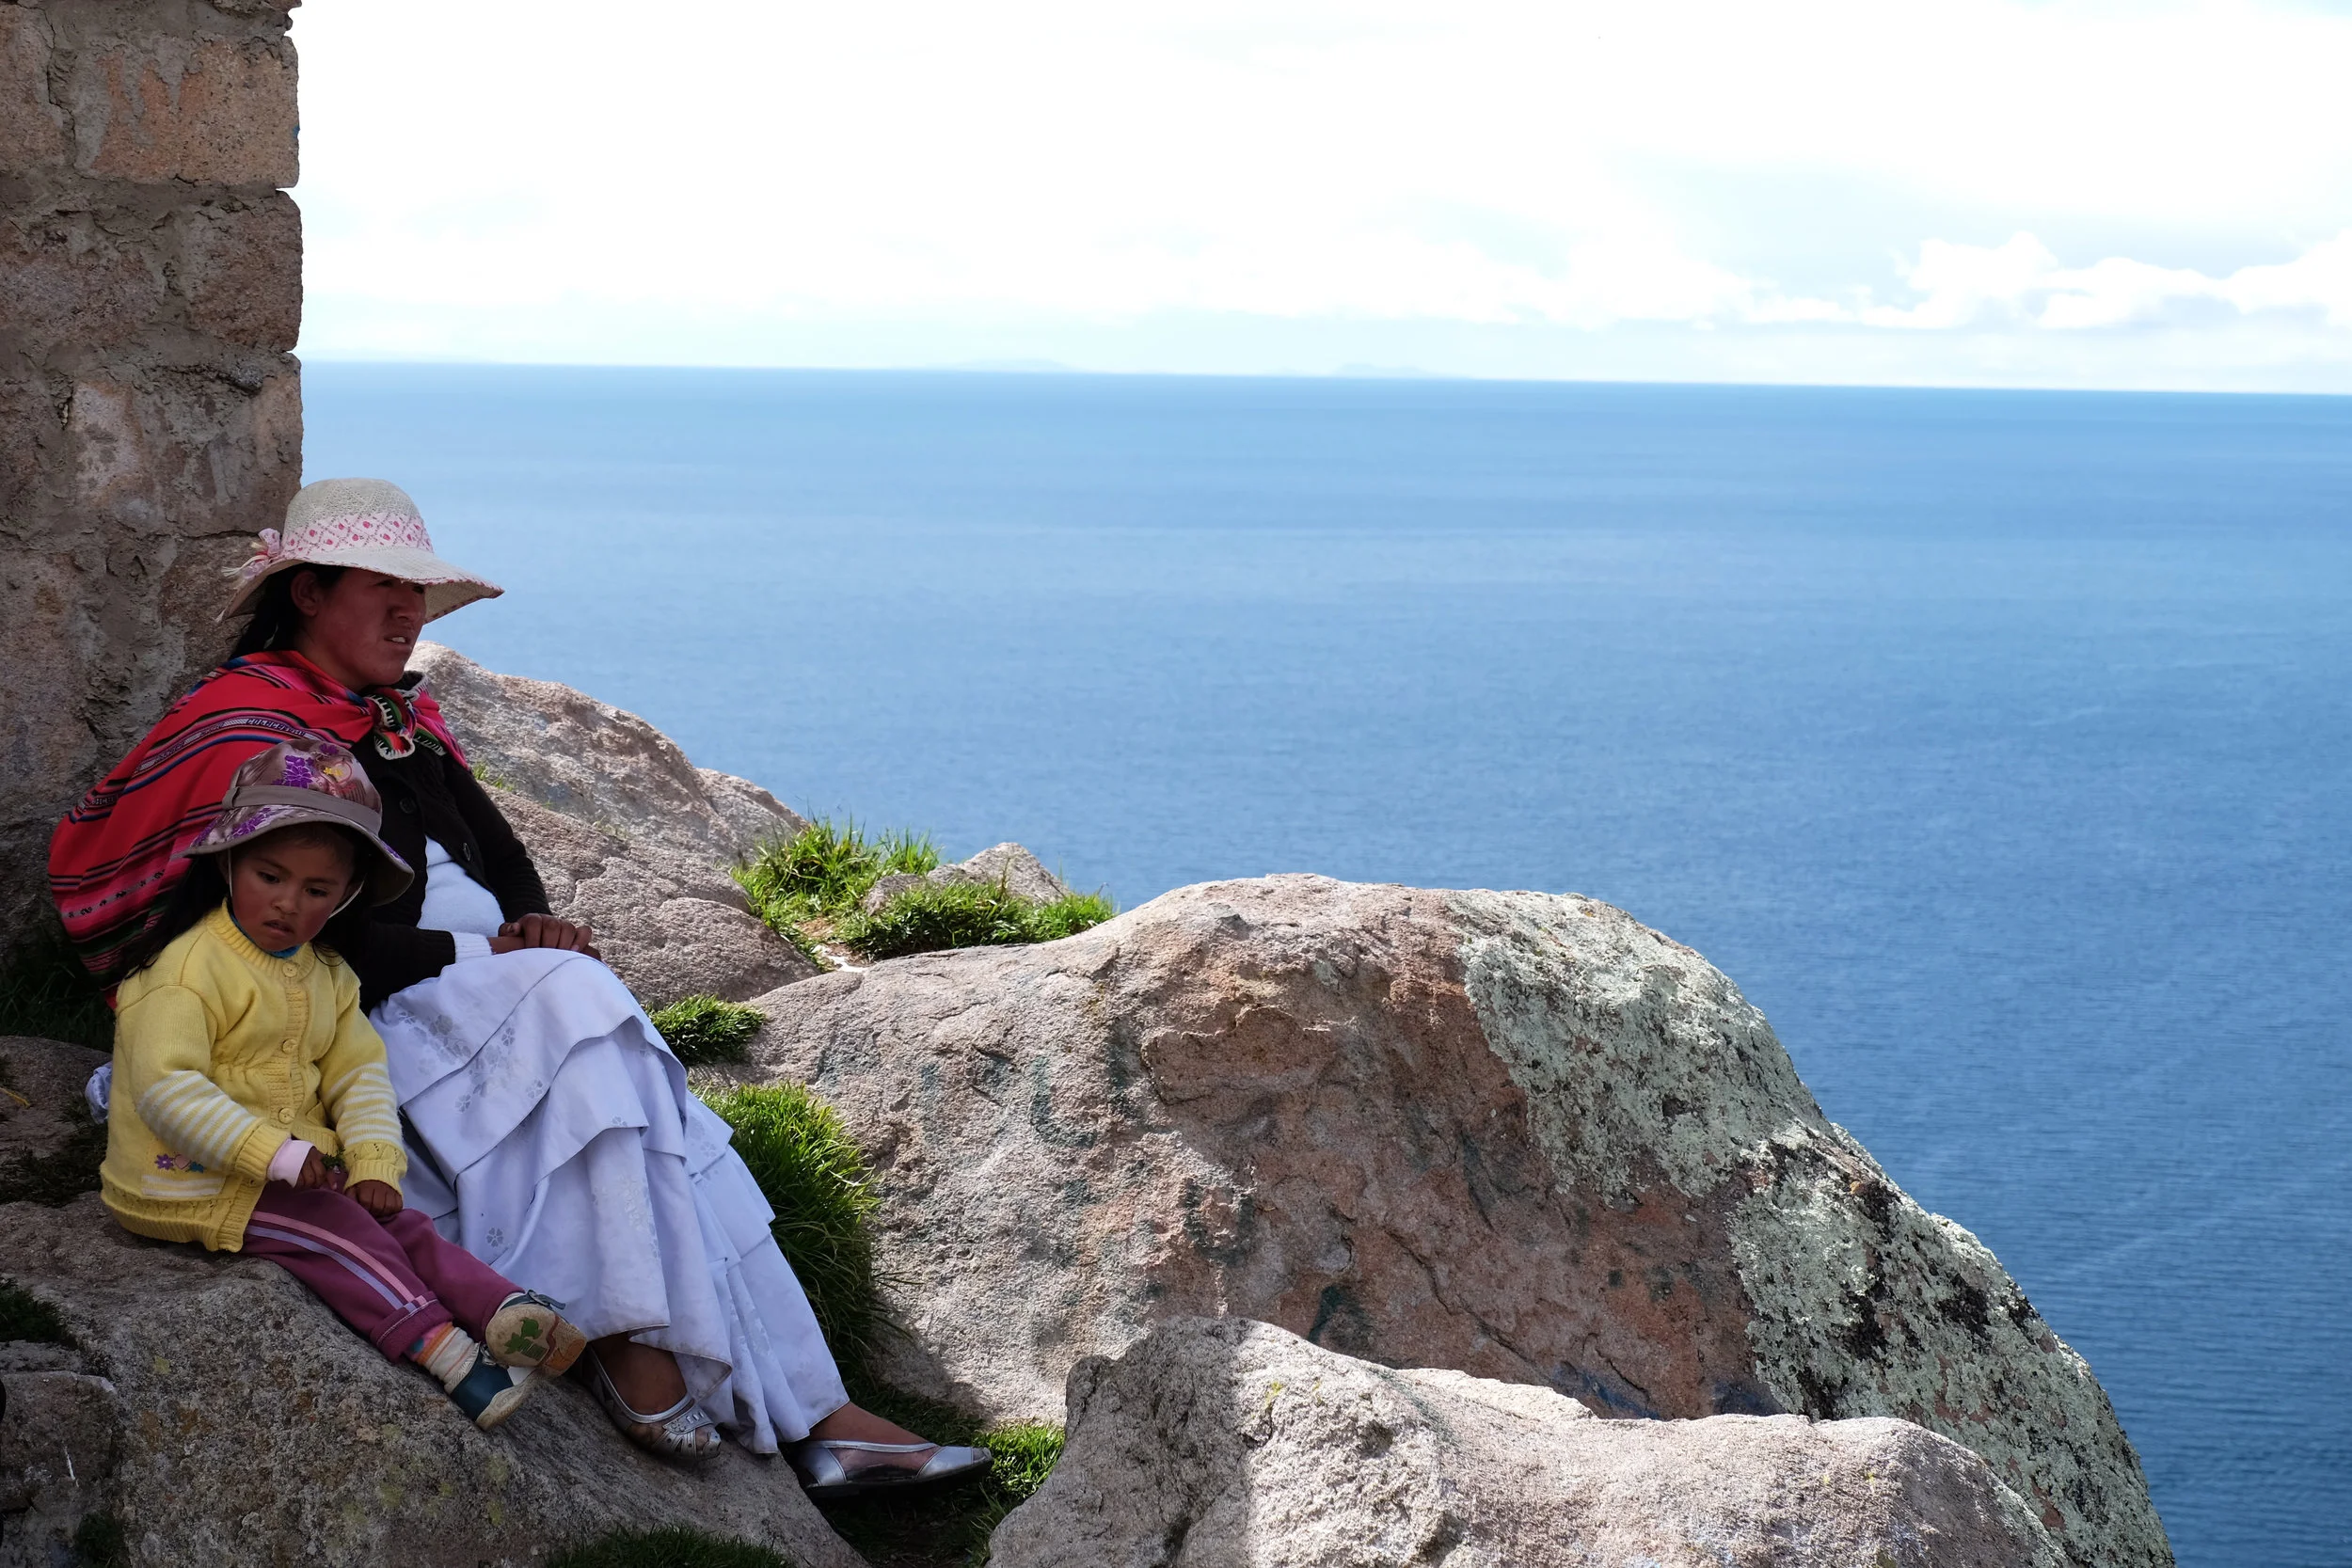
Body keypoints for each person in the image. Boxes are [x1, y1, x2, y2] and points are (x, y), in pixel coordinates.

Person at [53, 478, 984, 1492]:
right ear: (309, 593)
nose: (408, 612)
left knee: (653, 1105)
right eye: (381, 586)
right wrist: (492, 958)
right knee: (582, 1010)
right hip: (358, 1006)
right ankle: (640, 1351)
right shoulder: (250, 730)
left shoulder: (397, 717)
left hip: (486, 984)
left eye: (417, 592)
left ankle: (820, 1410)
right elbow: (310, 935)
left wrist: (532, 923)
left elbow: (496, 851)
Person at [99, 736, 588, 1432]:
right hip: (187, 1177)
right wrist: (276, 1153)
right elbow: (167, 1090)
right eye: (270, 875)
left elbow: (359, 1074)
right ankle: (447, 1352)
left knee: (398, 1222)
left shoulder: (327, 975)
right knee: (337, 1237)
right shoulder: (186, 970)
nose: (287, 904)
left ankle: (503, 1309)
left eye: (317, 889)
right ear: (231, 858)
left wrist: (375, 1162)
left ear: (348, 894)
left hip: (288, 1165)